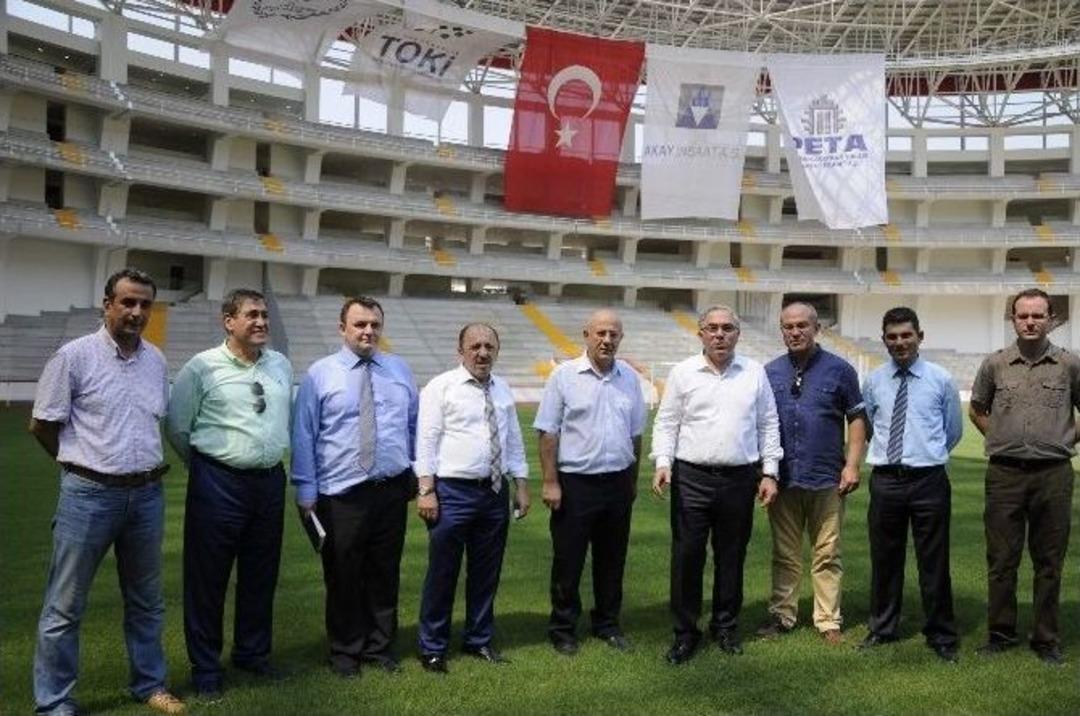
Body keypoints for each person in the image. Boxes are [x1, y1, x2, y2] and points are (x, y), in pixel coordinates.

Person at [30, 268, 184, 715]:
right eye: (128, 302)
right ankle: (56, 703)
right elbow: (42, 425)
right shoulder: (73, 357)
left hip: (147, 496)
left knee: (146, 601)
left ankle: (150, 685)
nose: (136, 312)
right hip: (89, 495)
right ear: (107, 304)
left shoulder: (155, 359)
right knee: (64, 606)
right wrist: (77, 466)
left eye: (144, 304)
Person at [166, 288, 292, 698]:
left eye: (265, 315)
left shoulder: (280, 365)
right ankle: (206, 668)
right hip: (218, 483)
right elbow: (178, 427)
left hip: (270, 482)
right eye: (252, 315)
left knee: (260, 575)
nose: (261, 322)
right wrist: (210, 467)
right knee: (208, 578)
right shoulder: (202, 367)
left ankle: (252, 655)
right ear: (229, 321)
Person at [290, 296, 418, 678]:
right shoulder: (320, 374)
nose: (368, 331)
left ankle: (379, 648)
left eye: (374, 324)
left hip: (391, 489)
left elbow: (413, 425)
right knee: (343, 574)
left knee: (384, 572)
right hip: (341, 493)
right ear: (342, 328)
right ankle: (345, 651)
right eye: (360, 324)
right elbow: (303, 434)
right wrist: (305, 489)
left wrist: (413, 473)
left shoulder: (399, 369)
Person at [651, 305, 782, 665]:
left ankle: (725, 627)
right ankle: (685, 634)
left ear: (738, 334)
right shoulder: (682, 373)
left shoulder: (754, 373)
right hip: (691, 477)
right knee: (687, 558)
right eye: (713, 328)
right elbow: (667, 423)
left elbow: (768, 424)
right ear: (701, 334)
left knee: (731, 558)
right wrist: (663, 462)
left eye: (727, 328)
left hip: (740, 479)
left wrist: (770, 472)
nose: (720, 334)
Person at [969, 288, 1079, 666]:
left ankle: (1046, 639)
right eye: (1023, 316)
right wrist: (1001, 438)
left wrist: (1063, 438)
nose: (1030, 322)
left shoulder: (1069, 365)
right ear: (1013, 319)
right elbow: (978, 409)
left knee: (1049, 561)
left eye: (1037, 315)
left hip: (1054, 474)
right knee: (1002, 559)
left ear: (1051, 319)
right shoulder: (995, 364)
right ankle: (1000, 634)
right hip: (1004, 475)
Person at [415, 323, 530, 673]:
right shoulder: (441, 387)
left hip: (494, 493)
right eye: (475, 346)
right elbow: (426, 440)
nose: (482, 352)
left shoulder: (502, 389)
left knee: (486, 573)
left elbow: (512, 441)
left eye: (489, 346)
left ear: (497, 351)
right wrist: (426, 490)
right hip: (452, 492)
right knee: (442, 573)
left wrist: (522, 484)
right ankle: (433, 646)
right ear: (460, 349)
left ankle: (478, 640)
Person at [534, 309, 646, 656]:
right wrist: (551, 482)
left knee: (612, 560)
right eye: (600, 333)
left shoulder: (630, 378)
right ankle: (563, 628)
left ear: (621, 338)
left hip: (617, 483)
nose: (607, 340)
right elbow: (548, 432)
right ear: (586, 335)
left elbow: (636, 435)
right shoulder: (564, 377)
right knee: (569, 561)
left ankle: (607, 624)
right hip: (575, 485)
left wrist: (632, 480)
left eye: (613, 334)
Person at [759, 302, 866, 645]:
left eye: (802, 325)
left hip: (827, 480)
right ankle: (782, 616)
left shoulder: (840, 371)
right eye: (788, 326)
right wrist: (765, 473)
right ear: (782, 330)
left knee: (827, 554)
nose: (795, 332)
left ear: (816, 328)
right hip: (784, 479)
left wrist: (852, 465)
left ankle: (827, 619)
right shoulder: (769, 373)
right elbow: (759, 425)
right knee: (785, 554)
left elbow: (858, 419)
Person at [859, 306, 961, 663]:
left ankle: (942, 633)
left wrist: (925, 456)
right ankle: (883, 628)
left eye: (906, 335)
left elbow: (952, 431)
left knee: (934, 560)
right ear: (884, 340)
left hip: (928, 481)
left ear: (920, 336)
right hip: (886, 481)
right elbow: (871, 425)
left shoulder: (941, 379)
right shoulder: (873, 380)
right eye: (892, 336)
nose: (900, 342)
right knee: (885, 559)